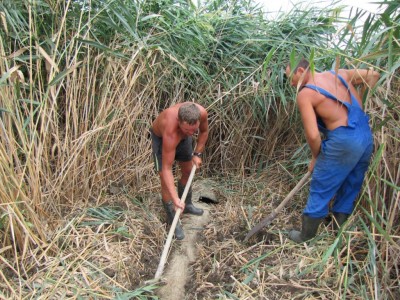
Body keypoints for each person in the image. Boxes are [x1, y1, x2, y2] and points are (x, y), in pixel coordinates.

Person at [285, 58, 380, 243]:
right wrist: (359, 101)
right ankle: (338, 230)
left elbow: (313, 136)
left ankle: (306, 236)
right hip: (364, 135)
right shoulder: (339, 74)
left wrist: (315, 157)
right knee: (351, 183)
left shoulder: (306, 94)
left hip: (343, 141)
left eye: (291, 78)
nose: (291, 84)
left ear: (301, 70)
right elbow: (374, 75)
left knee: (321, 185)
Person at [151, 102, 209, 240]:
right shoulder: (170, 129)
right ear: (179, 121)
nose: (191, 134)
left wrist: (197, 154)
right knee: (165, 182)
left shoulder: (201, 114)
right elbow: (166, 169)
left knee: (188, 170)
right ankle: (173, 220)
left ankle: (187, 204)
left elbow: (204, 131)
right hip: (161, 139)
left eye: (193, 131)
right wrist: (175, 199)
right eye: (187, 130)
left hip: (180, 136)